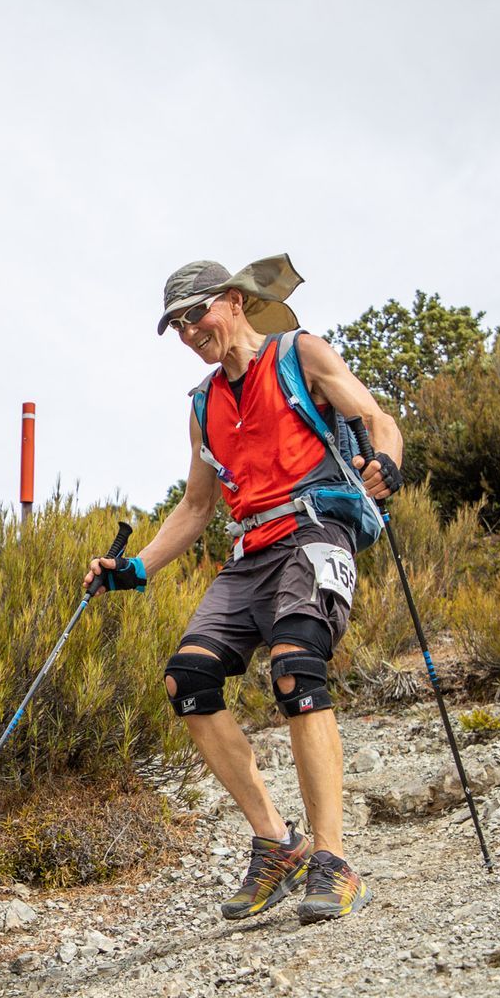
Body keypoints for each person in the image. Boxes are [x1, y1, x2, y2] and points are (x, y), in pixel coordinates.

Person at [85, 255, 403, 924]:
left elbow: (377, 418)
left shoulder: (300, 353)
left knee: (295, 665)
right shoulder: (203, 405)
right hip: (248, 551)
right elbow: (197, 506)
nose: (188, 332)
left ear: (232, 301)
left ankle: (332, 859)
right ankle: (276, 842)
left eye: (194, 315)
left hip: (316, 531)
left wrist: (387, 464)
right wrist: (136, 567)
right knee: (187, 681)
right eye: (174, 325)